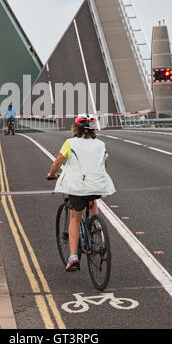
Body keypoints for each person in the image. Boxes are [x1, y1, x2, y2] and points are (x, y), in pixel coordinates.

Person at [47, 114, 116, 272]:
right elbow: (104, 163)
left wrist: (51, 174)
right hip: (96, 185)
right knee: (92, 200)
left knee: (75, 217)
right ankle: (96, 227)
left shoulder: (70, 143)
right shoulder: (100, 144)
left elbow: (58, 162)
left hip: (78, 186)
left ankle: (72, 257)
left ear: (76, 129)